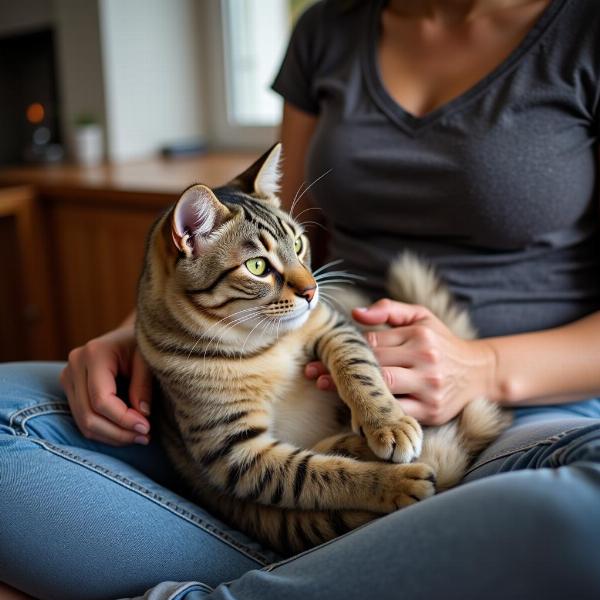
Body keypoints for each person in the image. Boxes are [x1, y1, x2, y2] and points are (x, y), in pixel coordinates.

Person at [2, 0, 600, 598]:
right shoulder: (327, 29)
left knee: (583, 511)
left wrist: (486, 369)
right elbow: (281, 228)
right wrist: (140, 329)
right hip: (279, 370)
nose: (304, 280)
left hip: (529, 404)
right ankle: (349, 562)